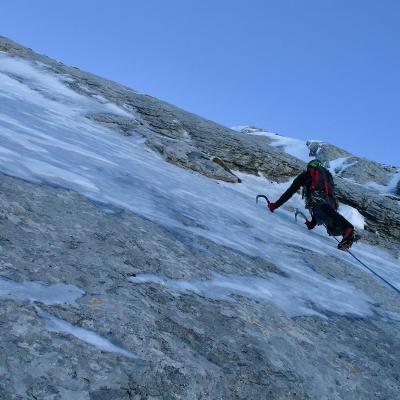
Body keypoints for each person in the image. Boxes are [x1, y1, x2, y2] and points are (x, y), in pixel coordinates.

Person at [268, 159, 358, 251]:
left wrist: (275, 205)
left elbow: (290, 191)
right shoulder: (327, 176)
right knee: (331, 224)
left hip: (318, 199)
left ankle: (348, 228)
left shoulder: (307, 174)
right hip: (330, 203)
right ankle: (346, 236)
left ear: (310, 167)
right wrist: (313, 222)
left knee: (325, 212)